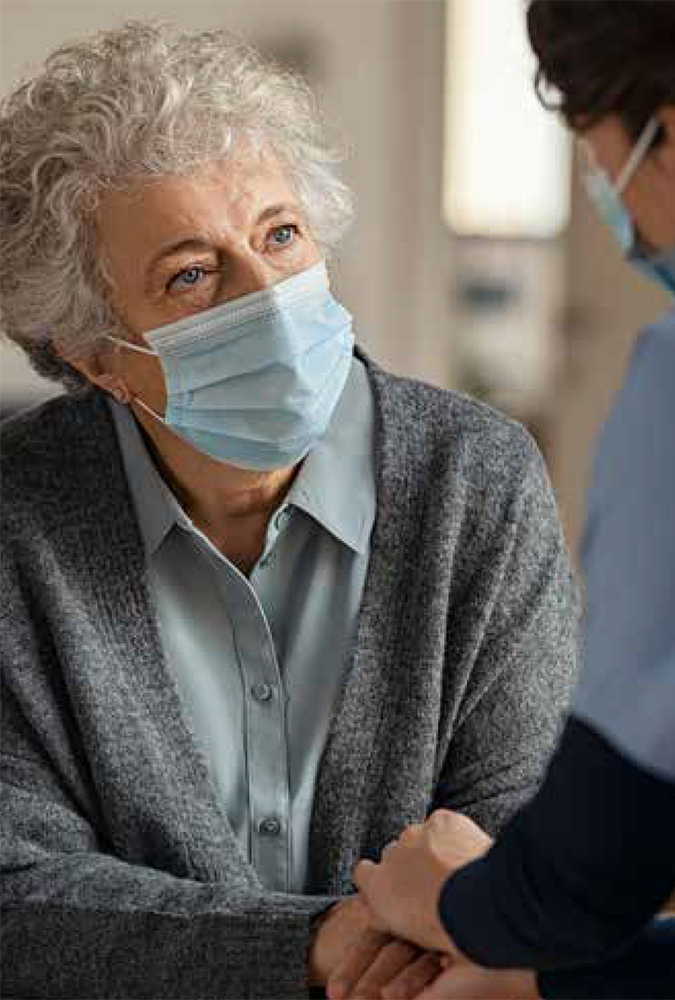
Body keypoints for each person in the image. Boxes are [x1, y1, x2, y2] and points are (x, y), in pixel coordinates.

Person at [0, 22, 579, 999]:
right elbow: (18, 897)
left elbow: (526, 847)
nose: (269, 298)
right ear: (95, 354)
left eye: (281, 234)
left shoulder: (476, 481)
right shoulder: (17, 519)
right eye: (192, 273)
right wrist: (320, 947)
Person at [354, 2, 675, 998]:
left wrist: (442, 899)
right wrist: (527, 978)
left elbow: (588, 877)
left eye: (597, 152)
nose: (607, 199)